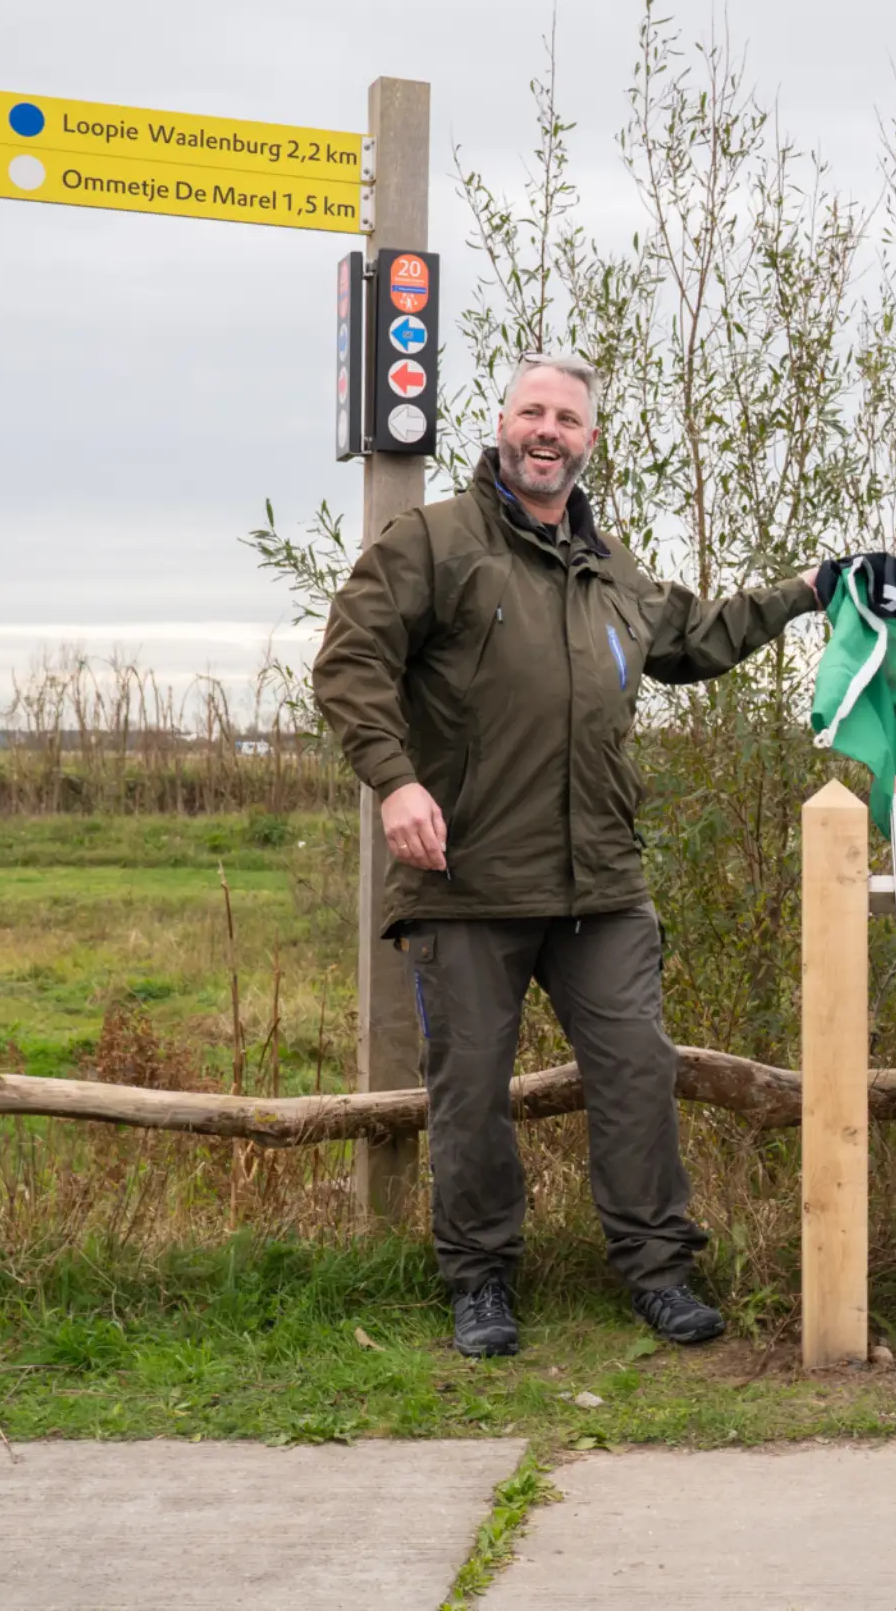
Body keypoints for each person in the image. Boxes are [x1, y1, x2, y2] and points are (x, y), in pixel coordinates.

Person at [312, 352, 823, 1358]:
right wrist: (396, 780)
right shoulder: (435, 543)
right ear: (502, 423)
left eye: (568, 419)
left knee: (637, 1070)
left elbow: (700, 637)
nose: (548, 431)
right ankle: (480, 1279)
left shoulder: (611, 570)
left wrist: (808, 589)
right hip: (465, 883)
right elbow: (349, 661)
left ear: (590, 441)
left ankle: (658, 1269)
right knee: (471, 1091)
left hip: (600, 882)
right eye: (531, 412)